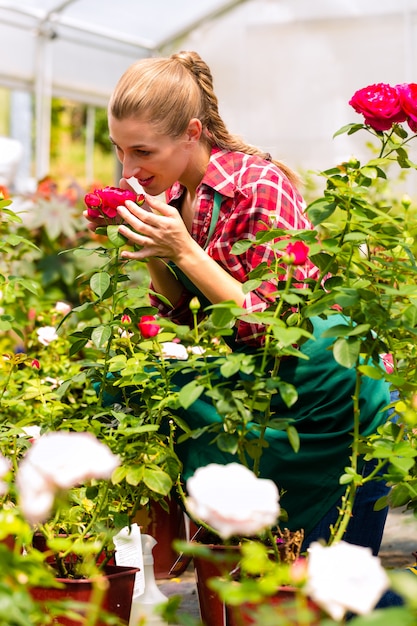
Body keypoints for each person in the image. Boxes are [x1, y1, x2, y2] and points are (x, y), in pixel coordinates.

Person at [84, 50, 391, 555]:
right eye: (120, 151)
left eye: (142, 152)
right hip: (272, 399)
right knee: (120, 391)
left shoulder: (255, 186)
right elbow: (188, 318)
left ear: (190, 131)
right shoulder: (178, 196)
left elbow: (272, 324)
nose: (128, 168)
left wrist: (182, 247)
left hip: (334, 402)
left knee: (336, 586)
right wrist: (154, 251)